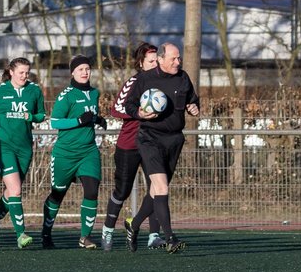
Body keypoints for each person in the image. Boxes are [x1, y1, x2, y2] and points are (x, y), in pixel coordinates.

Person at [122, 41, 201, 253]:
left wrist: (194, 107)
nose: (178, 61)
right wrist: (139, 113)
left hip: (174, 140)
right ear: (161, 60)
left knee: (156, 192)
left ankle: (134, 224)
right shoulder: (145, 79)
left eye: (179, 58)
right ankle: (170, 238)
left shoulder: (182, 77)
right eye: (173, 58)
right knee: (162, 187)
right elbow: (129, 105)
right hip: (150, 138)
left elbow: (193, 100)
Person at [0, 56, 46, 249]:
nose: (24, 76)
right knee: (16, 190)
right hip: (3, 146)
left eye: (27, 72)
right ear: (11, 72)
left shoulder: (34, 90)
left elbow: (41, 115)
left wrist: (32, 116)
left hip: (24, 148)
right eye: (21, 73)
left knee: (11, 192)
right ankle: (21, 234)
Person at [40, 55, 107, 249]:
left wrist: (97, 119)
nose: (85, 72)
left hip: (88, 151)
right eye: (80, 69)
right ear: (72, 72)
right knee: (57, 195)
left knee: (92, 190)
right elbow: (55, 122)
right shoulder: (66, 95)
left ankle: (85, 236)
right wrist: (79, 121)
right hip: (65, 154)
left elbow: (88, 115)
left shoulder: (95, 93)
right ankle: (46, 233)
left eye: (87, 68)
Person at [101, 43, 159, 251]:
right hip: (130, 144)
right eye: (150, 61)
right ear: (141, 63)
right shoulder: (134, 82)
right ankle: (108, 229)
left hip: (154, 143)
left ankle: (154, 235)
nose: (155, 64)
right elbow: (116, 108)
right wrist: (139, 113)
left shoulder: (165, 83)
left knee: (157, 188)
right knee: (123, 189)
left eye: (157, 60)